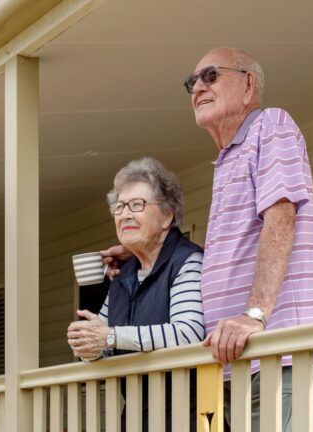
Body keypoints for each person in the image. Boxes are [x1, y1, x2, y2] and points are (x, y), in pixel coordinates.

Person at [105, 48, 313, 430]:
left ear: (248, 84)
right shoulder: (227, 160)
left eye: (210, 75)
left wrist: (253, 316)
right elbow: (234, 254)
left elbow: (280, 220)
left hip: (279, 354)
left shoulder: (270, 126)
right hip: (235, 362)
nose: (198, 87)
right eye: (192, 82)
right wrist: (144, 252)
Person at [67, 157, 204, 430]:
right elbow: (104, 344)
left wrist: (109, 335)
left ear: (166, 216)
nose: (124, 214)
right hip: (136, 419)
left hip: (186, 418)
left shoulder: (187, 261)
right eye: (118, 207)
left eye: (137, 205)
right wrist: (87, 345)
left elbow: (189, 332)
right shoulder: (122, 277)